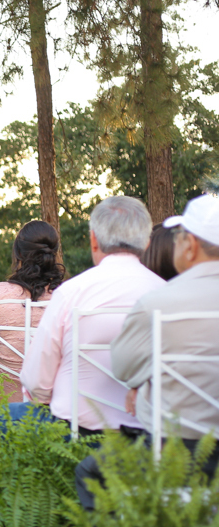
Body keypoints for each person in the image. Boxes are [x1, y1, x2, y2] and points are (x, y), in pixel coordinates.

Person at [69, 195, 219, 510]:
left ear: (189, 245)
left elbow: (123, 369)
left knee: (90, 473)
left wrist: (146, 381)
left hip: (170, 453)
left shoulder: (158, 303)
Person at [0, 196, 164, 441]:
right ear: (146, 242)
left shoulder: (71, 293)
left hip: (74, 429)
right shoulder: (166, 294)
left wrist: (50, 399)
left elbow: (37, 381)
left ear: (93, 240)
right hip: (148, 433)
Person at [0, 220, 65, 403]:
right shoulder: (67, 295)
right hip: (54, 404)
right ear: (53, 253)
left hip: (4, 404)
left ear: (18, 253)